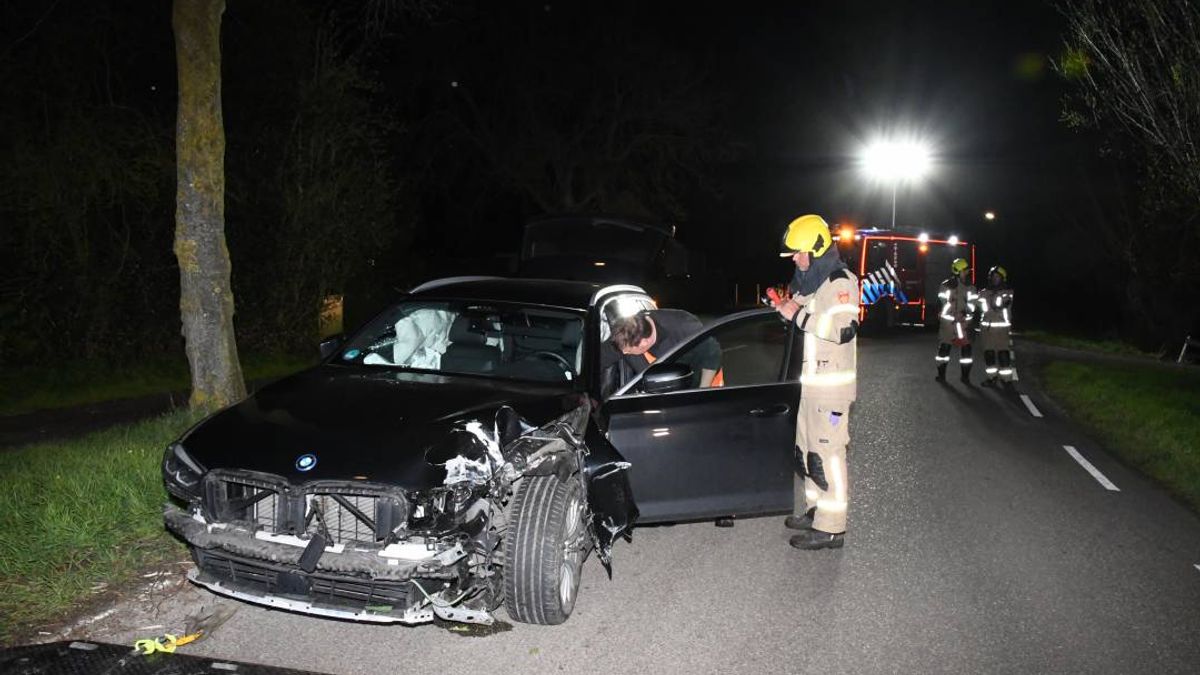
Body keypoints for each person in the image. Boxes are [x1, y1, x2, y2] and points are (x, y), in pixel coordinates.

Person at [773, 214, 858, 551]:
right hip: (810, 386)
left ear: (816, 249)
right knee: (806, 452)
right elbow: (801, 310)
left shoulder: (840, 281)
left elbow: (843, 329)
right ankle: (815, 511)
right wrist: (785, 306)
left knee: (827, 457)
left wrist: (797, 315)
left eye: (798, 252)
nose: (794, 259)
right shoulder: (814, 283)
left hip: (831, 389)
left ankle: (832, 528)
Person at [602, 308, 721, 397]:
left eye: (629, 351)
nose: (624, 353)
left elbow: (711, 352)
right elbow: (598, 360)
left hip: (702, 382)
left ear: (644, 343)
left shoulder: (683, 326)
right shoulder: (627, 335)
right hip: (665, 393)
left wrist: (702, 391)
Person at [935, 258, 979, 384]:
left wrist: (965, 312)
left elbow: (973, 304)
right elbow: (940, 302)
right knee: (944, 349)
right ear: (958, 271)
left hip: (964, 324)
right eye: (965, 270)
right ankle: (941, 375)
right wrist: (948, 312)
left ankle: (965, 377)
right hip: (948, 323)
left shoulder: (970, 287)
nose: (967, 273)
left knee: (966, 350)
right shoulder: (945, 285)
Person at [977, 265, 1016, 388]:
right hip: (987, 329)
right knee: (989, 354)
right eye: (993, 276)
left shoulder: (1007, 292)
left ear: (1002, 278)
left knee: (1003, 354)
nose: (995, 279)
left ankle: (1006, 380)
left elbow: (1001, 303)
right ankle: (991, 378)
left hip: (1002, 329)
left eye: (997, 277)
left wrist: (994, 300)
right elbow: (980, 305)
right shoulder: (983, 292)